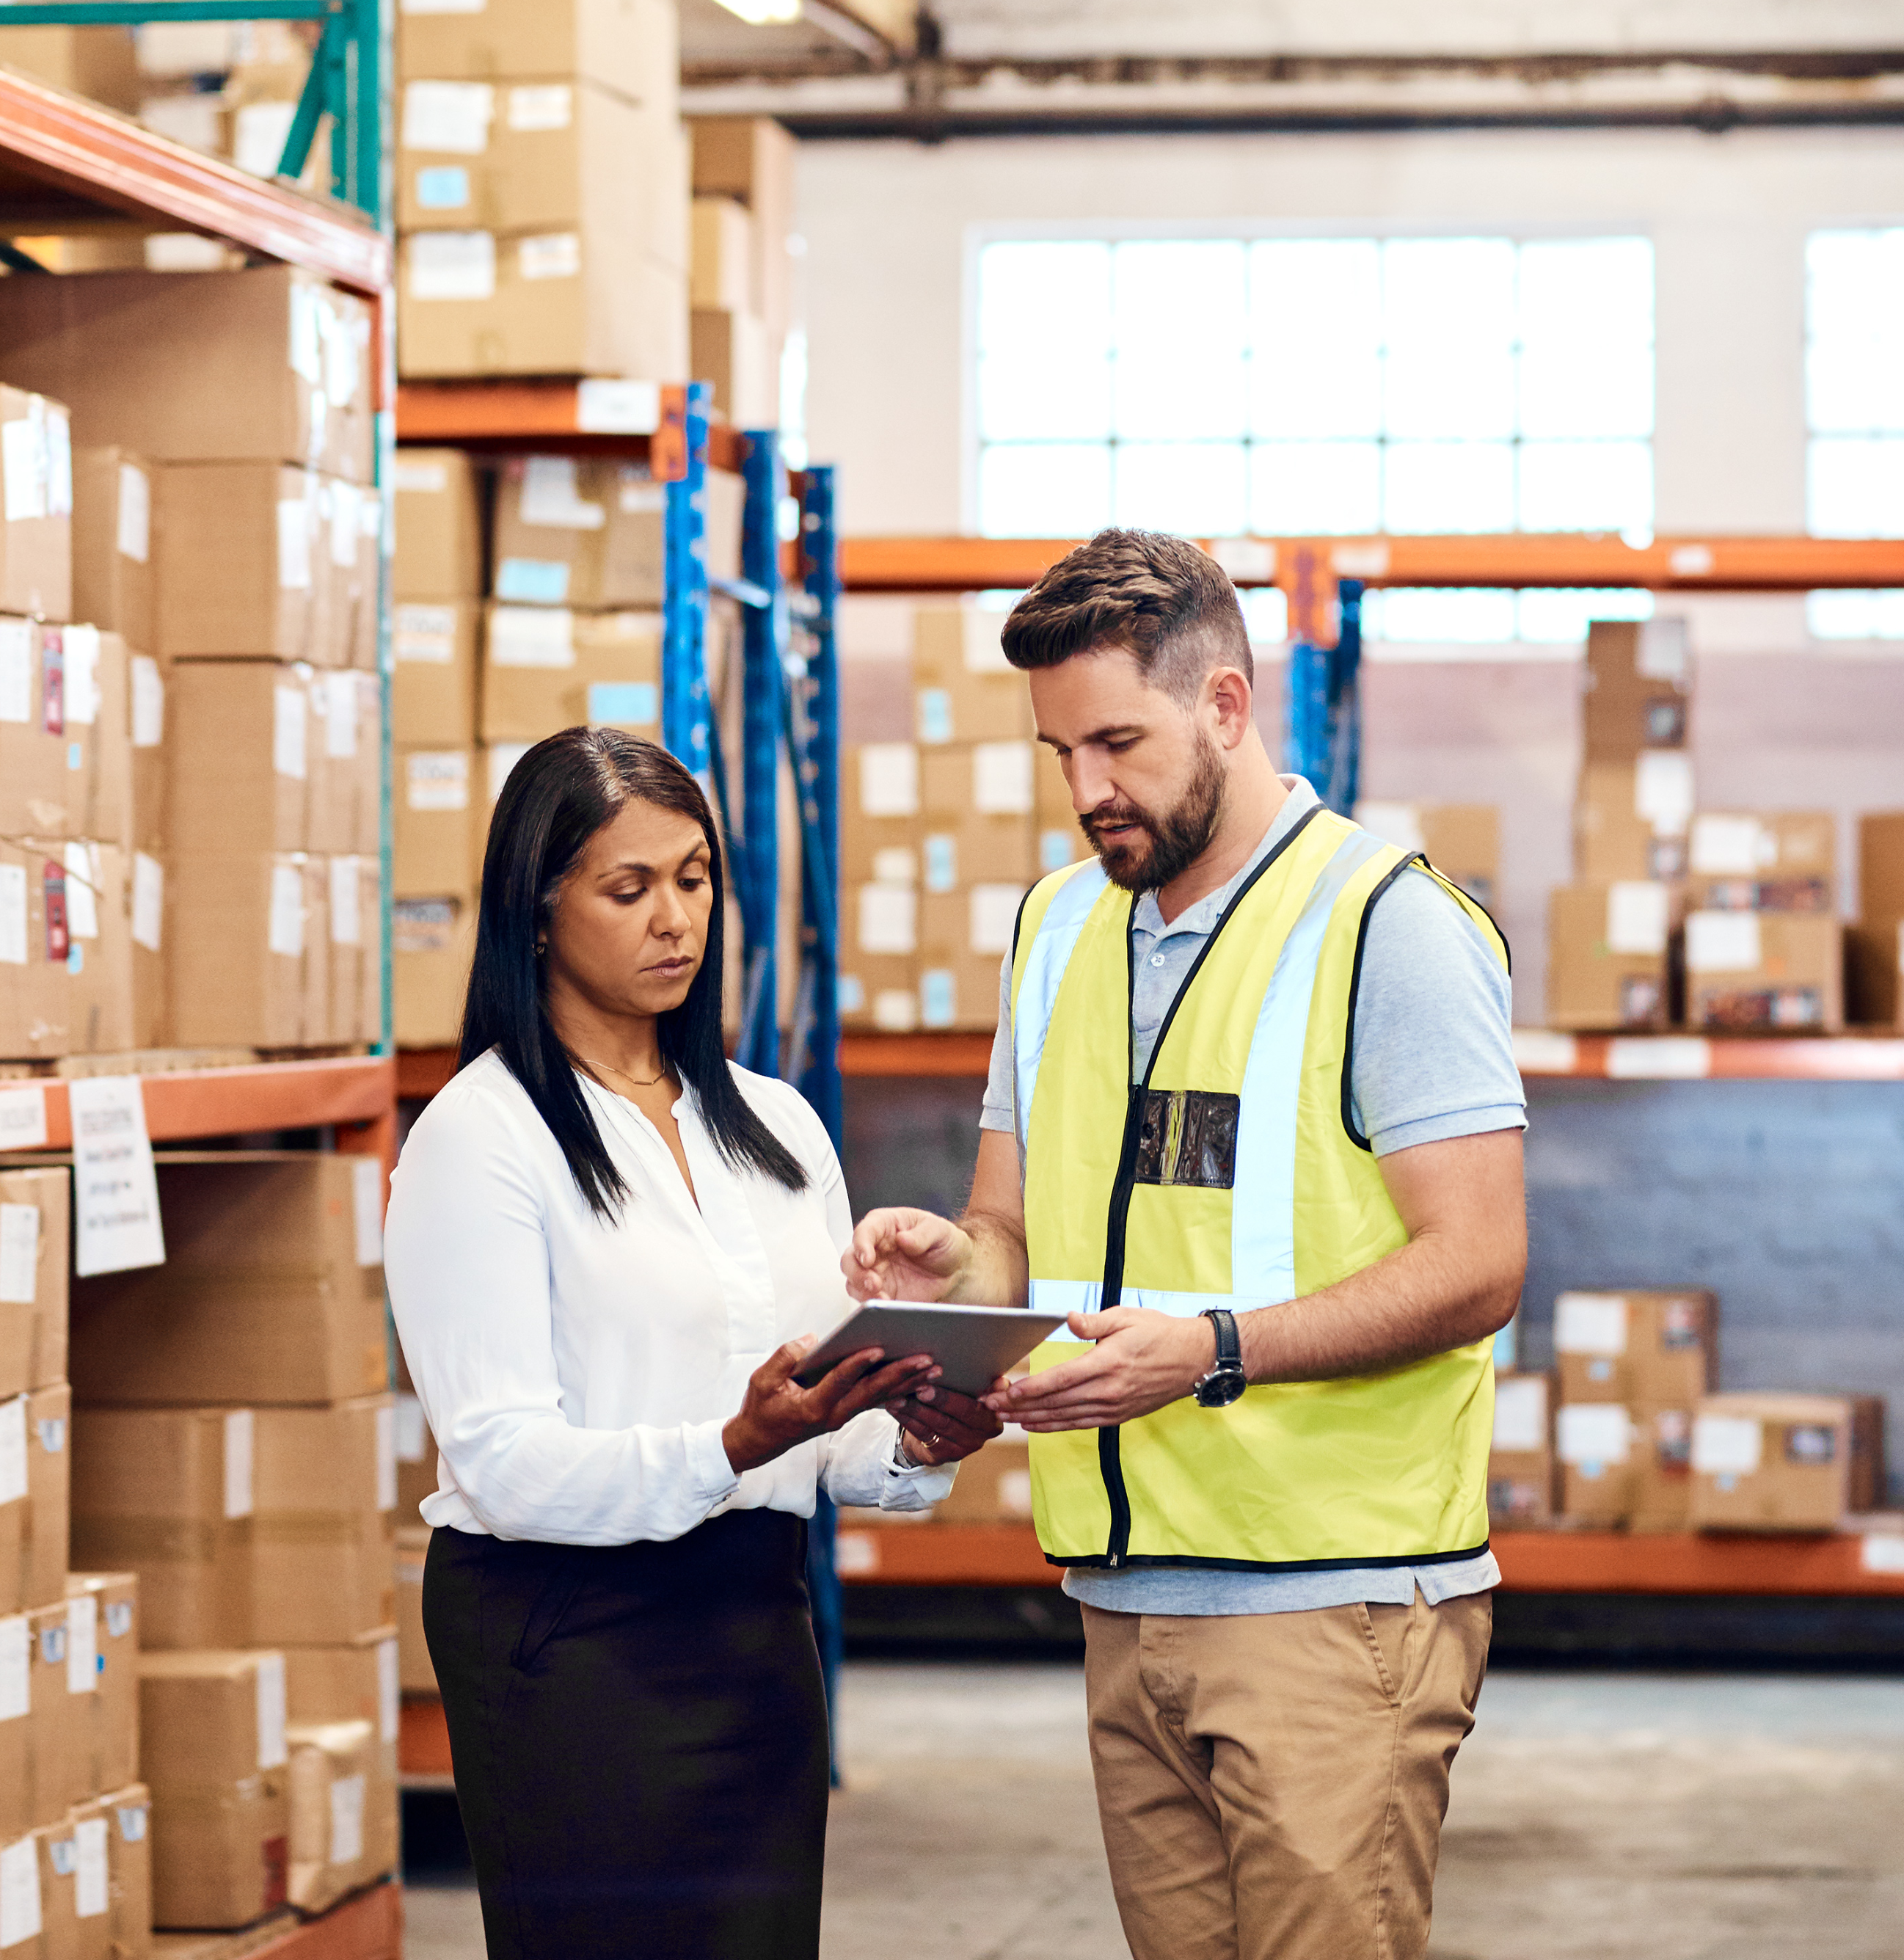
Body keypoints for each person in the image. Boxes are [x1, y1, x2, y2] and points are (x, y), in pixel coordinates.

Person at [846, 530, 1531, 1960]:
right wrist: (948, 1273)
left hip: (1332, 1607)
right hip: (1121, 1593)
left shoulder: (1384, 926)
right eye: (1058, 754)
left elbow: (1477, 1264)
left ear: (1223, 704)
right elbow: (1012, 1235)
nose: (1089, 791)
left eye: (1117, 742)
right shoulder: (1053, 930)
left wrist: (1213, 1353)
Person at [387, 726, 1000, 1960]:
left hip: (753, 1623)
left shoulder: (776, 1129)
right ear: (540, 906)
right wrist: (730, 1439)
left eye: (696, 878)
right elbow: (501, 1458)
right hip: (571, 1637)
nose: (677, 919)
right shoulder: (482, 1137)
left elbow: (834, 1450)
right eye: (630, 888)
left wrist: (927, 1429)